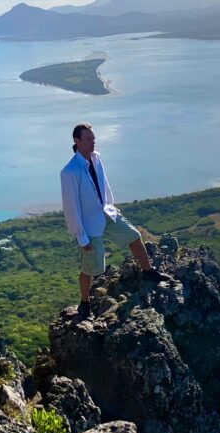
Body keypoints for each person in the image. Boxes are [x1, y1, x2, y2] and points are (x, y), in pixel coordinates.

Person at [60, 123, 171, 317]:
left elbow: (104, 185)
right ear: (76, 142)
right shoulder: (70, 171)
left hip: (107, 213)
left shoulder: (97, 158)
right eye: (88, 139)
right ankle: (84, 303)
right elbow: (71, 208)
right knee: (91, 267)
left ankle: (148, 272)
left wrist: (111, 205)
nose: (93, 141)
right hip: (89, 224)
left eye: (93, 138)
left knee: (134, 236)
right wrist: (81, 237)